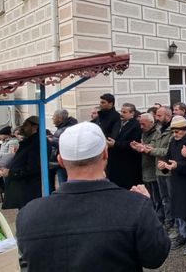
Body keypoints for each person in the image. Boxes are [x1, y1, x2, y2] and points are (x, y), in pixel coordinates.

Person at [16, 122, 170, 271]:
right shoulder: (135, 206)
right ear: (105, 153)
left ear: (61, 160)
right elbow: (155, 257)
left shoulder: (29, 213)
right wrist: (148, 208)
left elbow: (26, 264)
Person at [158, 116, 186, 255]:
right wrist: (163, 165)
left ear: (185, 130)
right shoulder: (173, 141)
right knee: (178, 209)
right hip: (176, 180)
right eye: (173, 131)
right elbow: (168, 157)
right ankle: (184, 234)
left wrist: (178, 166)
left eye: (178, 131)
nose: (175, 134)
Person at [0, 116, 44, 209]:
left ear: (34, 127)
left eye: (26, 125)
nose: (22, 128)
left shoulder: (36, 143)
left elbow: (32, 168)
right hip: (24, 191)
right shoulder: (29, 142)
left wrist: (10, 172)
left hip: (28, 191)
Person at [106, 103, 143, 190]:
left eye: (124, 112)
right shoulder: (117, 123)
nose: (121, 114)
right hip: (114, 160)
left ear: (132, 113)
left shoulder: (136, 125)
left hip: (128, 162)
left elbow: (133, 142)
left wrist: (115, 144)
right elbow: (113, 136)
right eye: (121, 111)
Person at [48, 109, 78, 186]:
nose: (52, 118)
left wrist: (51, 140)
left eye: (54, 116)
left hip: (62, 163)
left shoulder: (66, 129)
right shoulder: (63, 127)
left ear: (60, 119)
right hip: (59, 162)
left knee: (64, 184)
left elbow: (64, 143)